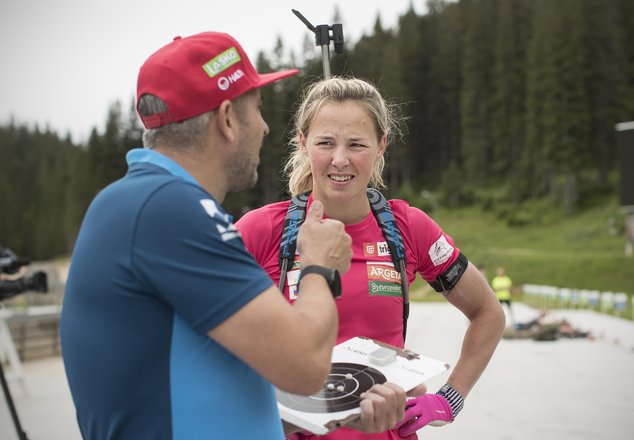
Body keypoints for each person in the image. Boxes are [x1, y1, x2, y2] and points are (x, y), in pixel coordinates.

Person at [60, 32, 406, 440]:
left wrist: (343, 410)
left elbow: (206, 381)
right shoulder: (168, 210)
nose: (263, 127)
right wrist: (317, 264)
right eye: (256, 109)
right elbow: (305, 364)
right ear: (226, 119)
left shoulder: (140, 201)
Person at [236, 77, 506, 439]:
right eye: (325, 143)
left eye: (357, 144)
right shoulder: (262, 230)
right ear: (302, 142)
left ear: (381, 145)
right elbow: (198, 342)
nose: (340, 160)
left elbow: (488, 312)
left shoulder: (407, 226)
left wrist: (449, 399)